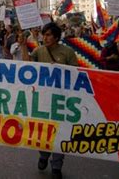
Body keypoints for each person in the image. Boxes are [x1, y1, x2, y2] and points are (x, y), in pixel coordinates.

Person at [24, 22, 78, 179]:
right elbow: (27, 66)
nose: (45, 37)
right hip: (42, 99)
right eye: (44, 34)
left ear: (56, 37)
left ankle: (56, 166)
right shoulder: (39, 51)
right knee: (43, 131)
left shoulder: (67, 52)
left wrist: (61, 70)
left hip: (62, 100)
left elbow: (76, 74)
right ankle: (43, 155)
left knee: (60, 132)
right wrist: (22, 46)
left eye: (48, 35)